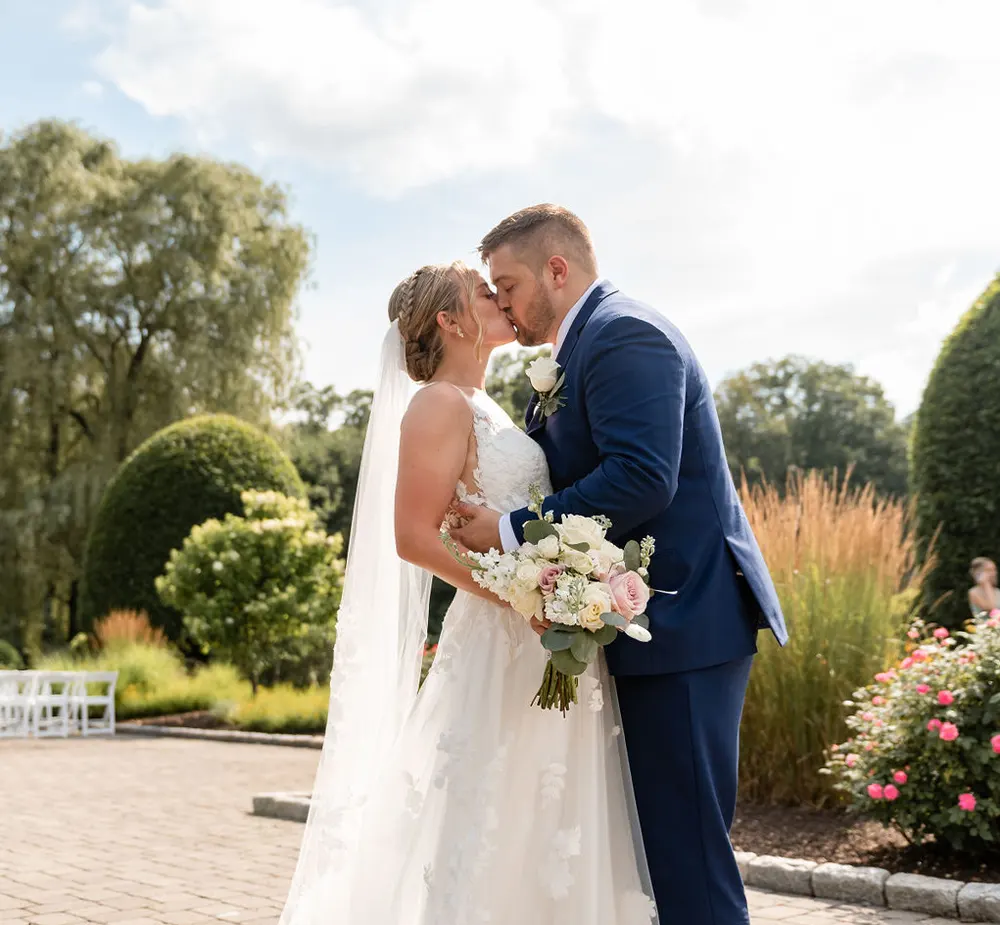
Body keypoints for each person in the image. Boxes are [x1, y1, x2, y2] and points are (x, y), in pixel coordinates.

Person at [279, 260, 658, 925]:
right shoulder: (437, 404)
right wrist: (516, 594)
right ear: (450, 322)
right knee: (491, 813)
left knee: (542, 819)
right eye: (484, 292)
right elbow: (413, 536)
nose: (500, 297)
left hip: (544, 632)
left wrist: (567, 582)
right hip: (501, 636)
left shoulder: (491, 407)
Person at [453, 204, 788, 925]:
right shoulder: (577, 352)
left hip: (683, 624)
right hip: (643, 631)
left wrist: (511, 530)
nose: (501, 301)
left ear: (557, 269)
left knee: (688, 856)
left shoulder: (625, 334)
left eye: (506, 283)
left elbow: (642, 476)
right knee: (655, 855)